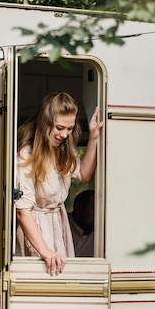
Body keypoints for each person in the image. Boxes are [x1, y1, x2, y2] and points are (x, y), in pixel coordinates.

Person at [14, 92, 103, 275]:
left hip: (58, 225)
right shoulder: (26, 154)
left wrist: (93, 137)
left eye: (70, 129)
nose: (64, 135)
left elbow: (84, 174)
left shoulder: (61, 151)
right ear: (45, 124)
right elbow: (23, 211)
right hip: (36, 231)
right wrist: (45, 251)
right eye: (60, 128)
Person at [68, 189, 95, 257]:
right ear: (78, 209)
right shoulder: (61, 226)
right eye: (94, 208)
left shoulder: (101, 235)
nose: (98, 215)